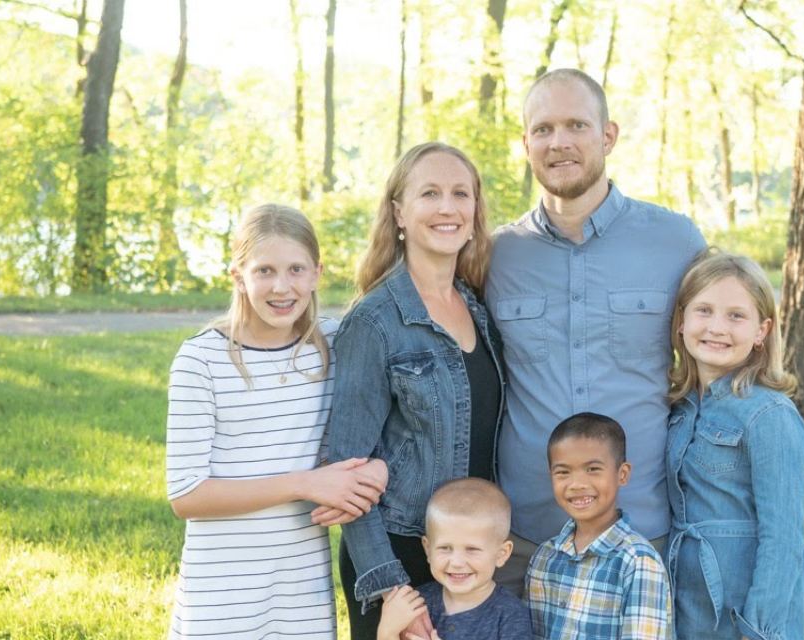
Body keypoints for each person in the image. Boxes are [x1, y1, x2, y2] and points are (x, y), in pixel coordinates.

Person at [487, 68, 706, 592]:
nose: (558, 142)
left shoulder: (675, 242)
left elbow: (726, 351)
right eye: (543, 129)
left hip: (641, 529)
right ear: (525, 144)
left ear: (608, 135)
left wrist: (762, 443)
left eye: (576, 125)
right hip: (525, 535)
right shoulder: (494, 255)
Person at [164, 203, 387, 640]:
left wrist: (378, 469)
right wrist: (304, 484)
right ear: (238, 276)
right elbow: (186, 495)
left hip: (301, 589)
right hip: (221, 588)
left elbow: (384, 429)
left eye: (296, 269)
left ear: (317, 273)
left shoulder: (335, 344)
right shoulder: (201, 360)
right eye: (264, 271)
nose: (282, 287)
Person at [327, 142, 505, 640]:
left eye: (460, 194)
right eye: (430, 193)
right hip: (400, 555)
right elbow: (347, 470)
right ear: (399, 212)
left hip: (469, 558)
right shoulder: (375, 322)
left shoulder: (477, 307)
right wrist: (391, 589)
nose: (448, 207)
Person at [664, 249, 804, 640]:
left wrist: (757, 628)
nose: (717, 328)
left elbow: (784, 538)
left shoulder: (769, 414)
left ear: (762, 331)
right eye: (704, 310)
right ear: (681, 321)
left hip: (742, 611)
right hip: (687, 604)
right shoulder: (677, 408)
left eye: (736, 316)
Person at [526, 412, 673, 639]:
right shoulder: (544, 557)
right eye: (563, 472)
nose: (577, 484)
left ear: (622, 474)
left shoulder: (638, 561)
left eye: (593, 469)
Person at [376, 479, 531, 640]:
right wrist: (387, 631)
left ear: (501, 554)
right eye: (445, 548)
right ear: (428, 549)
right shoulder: (416, 603)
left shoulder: (510, 614)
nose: (456, 562)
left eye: (472, 549)